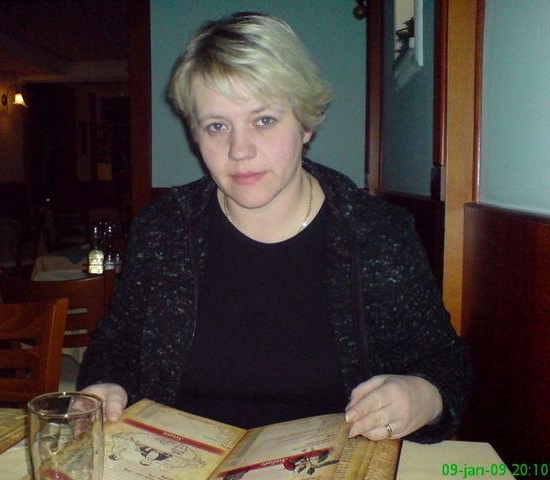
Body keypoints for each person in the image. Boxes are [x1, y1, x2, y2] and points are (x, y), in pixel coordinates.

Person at [77, 11, 472, 443]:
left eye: (263, 120)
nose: (239, 150)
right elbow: (117, 343)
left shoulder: (378, 234)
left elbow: (445, 362)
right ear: (195, 134)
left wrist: (422, 395)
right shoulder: (162, 229)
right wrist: (107, 386)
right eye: (217, 126)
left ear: (306, 123)